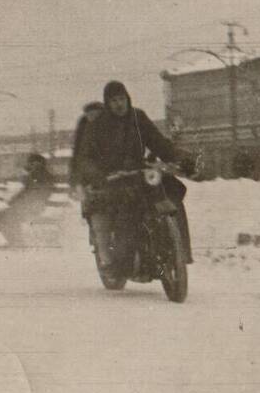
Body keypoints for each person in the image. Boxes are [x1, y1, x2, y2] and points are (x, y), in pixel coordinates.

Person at [76, 81, 195, 278]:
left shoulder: (137, 117)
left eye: (121, 99)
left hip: (139, 173)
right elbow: (86, 157)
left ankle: (180, 252)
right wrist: (98, 175)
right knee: (125, 213)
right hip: (112, 178)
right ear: (107, 103)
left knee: (170, 192)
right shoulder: (98, 124)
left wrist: (180, 159)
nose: (119, 104)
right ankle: (121, 264)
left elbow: (158, 142)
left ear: (127, 98)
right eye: (114, 101)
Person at [69, 101, 104, 193]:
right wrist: (74, 181)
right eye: (90, 115)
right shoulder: (83, 131)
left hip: (104, 179)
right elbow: (76, 155)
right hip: (87, 179)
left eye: (97, 115)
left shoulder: (108, 130)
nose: (93, 118)